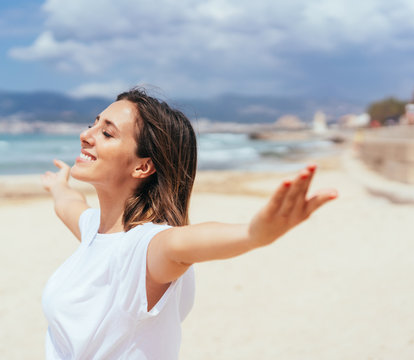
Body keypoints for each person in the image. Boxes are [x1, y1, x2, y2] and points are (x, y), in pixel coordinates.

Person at [41, 88, 337, 360]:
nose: (86, 134)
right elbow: (68, 204)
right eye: (94, 123)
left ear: (143, 166)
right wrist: (58, 186)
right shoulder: (94, 229)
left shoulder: (146, 247)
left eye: (107, 133)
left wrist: (253, 234)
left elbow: (188, 242)